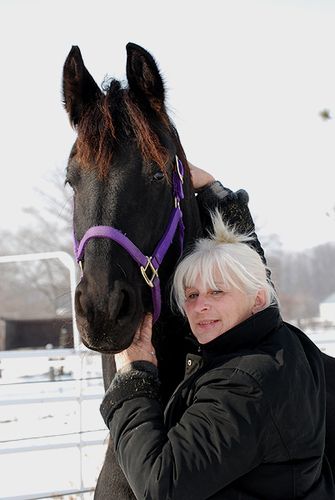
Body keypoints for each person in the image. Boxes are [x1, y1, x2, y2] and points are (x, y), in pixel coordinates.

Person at [100, 165, 334, 499]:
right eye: (192, 295)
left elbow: (160, 487)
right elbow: (250, 271)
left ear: (257, 299)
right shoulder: (277, 343)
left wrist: (133, 382)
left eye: (216, 292)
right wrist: (214, 194)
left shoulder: (245, 386)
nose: (200, 306)